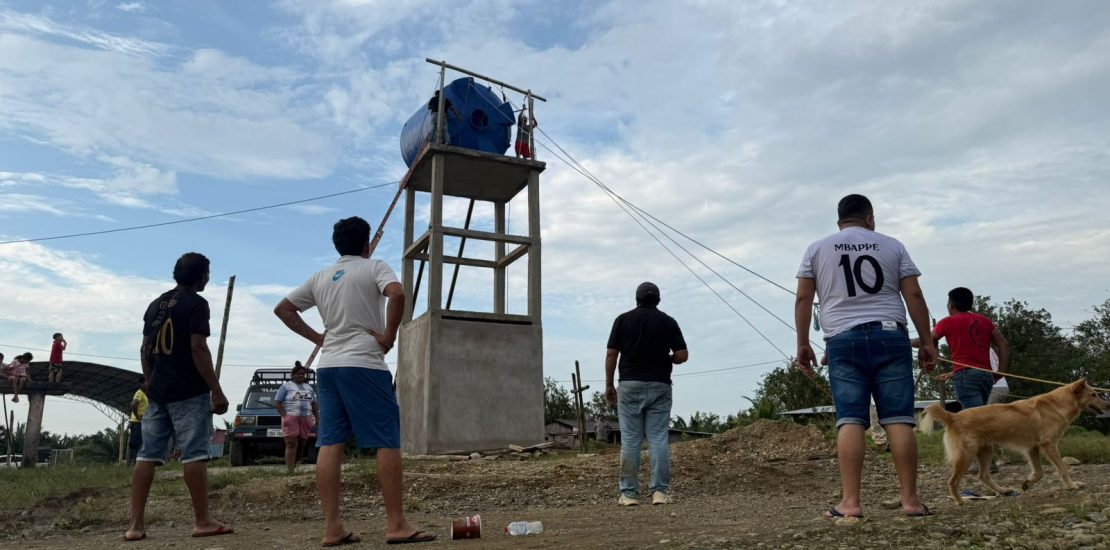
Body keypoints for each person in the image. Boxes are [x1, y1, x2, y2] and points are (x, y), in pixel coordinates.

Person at [274, 216, 435, 546]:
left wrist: (320, 339)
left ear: (337, 246)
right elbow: (397, 294)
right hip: (364, 364)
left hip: (329, 366)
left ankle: (332, 528)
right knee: (386, 439)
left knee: (330, 442)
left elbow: (284, 309)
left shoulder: (320, 277)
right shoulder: (374, 267)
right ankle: (396, 524)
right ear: (367, 244)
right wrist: (389, 336)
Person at [794, 194, 936, 518]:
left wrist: (803, 343)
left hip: (843, 340)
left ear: (839, 221)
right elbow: (913, 294)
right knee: (898, 418)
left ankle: (850, 503)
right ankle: (911, 501)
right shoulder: (893, 245)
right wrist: (927, 341)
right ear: (870, 218)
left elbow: (803, 299)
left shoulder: (816, 249)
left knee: (850, 419)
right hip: (891, 336)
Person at [124, 252, 232, 542]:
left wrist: (149, 380)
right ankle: (203, 521)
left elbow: (145, 348)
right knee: (194, 453)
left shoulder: (155, 304)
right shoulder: (197, 304)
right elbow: (198, 348)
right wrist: (216, 389)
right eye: (207, 274)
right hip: (189, 391)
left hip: (158, 392)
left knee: (147, 454)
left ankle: (135, 526)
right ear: (202, 276)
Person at [604, 282, 688, 506]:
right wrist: (670, 358)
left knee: (631, 441)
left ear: (637, 299)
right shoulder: (668, 322)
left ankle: (629, 495)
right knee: (658, 439)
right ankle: (659, 492)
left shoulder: (622, 320)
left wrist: (609, 385)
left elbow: (612, 354)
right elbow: (682, 355)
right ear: (658, 300)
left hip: (629, 384)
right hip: (660, 385)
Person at [921, 287, 1010, 410]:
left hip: (965, 375)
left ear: (951, 305)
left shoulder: (947, 322)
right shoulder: (986, 321)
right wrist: (1000, 372)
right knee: (981, 413)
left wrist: (907, 342)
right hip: (986, 375)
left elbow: (927, 341)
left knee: (973, 417)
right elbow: (1004, 344)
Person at [274, 361, 319, 473]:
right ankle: (290, 470)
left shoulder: (309, 387)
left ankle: (296, 462)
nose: (301, 376)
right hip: (291, 418)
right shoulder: (286, 386)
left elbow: (314, 404)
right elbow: (277, 403)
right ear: (293, 375)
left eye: (303, 374)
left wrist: (317, 417)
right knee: (291, 443)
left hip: (306, 418)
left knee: (302, 443)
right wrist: (285, 416)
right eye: (298, 374)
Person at [128, 377, 148, 467]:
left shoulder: (144, 394)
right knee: (135, 442)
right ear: (141, 384)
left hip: (140, 422)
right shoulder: (139, 393)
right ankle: (131, 463)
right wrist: (137, 416)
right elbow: (133, 404)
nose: (148, 384)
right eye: (146, 382)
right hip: (136, 422)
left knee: (139, 442)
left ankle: (135, 462)